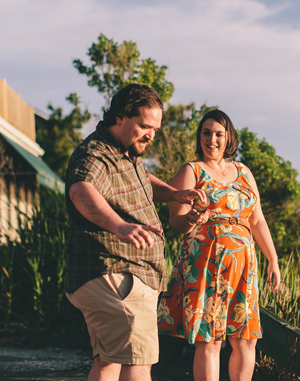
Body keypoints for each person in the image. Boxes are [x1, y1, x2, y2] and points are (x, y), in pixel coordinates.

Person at [64, 83, 206, 381]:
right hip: (117, 272)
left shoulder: (125, 153)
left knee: (109, 361)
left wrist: (174, 194)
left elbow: (142, 178)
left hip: (116, 276)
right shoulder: (96, 155)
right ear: (120, 117)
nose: (150, 135)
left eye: (155, 129)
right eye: (144, 126)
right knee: (138, 365)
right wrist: (119, 225)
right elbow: (81, 190)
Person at [157, 109, 281, 381]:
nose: (212, 140)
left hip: (243, 266)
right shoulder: (191, 171)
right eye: (206, 133)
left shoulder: (243, 171)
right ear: (199, 136)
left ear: (228, 137)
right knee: (209, 338)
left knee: (246, 338)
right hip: (206, 263)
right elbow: (175, 222)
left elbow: (258, 220)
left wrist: (272, 259)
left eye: (218, 134)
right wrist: (190, 218)